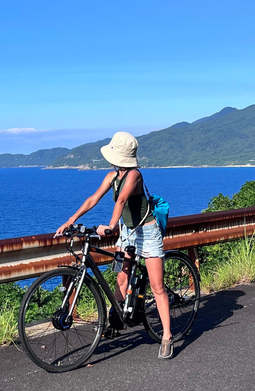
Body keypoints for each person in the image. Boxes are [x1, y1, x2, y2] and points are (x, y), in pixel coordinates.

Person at [54, 131, 174, 359]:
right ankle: (117, 318)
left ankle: (167, 336)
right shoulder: (112, 176)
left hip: (147, 232)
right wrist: (71, 219)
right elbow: (93, 198)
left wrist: (110, 226)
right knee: (121, 276)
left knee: (157, 286)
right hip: (129, 232)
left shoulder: (134, 175)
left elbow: (121, 200)